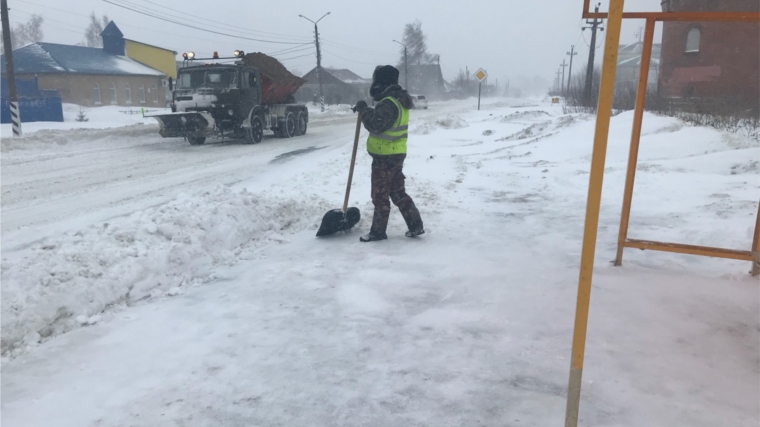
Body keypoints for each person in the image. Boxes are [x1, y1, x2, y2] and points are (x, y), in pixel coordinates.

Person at [353, 65, 424, 242]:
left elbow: (376, 124)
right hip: (396, 153)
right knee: (397, 191)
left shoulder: (389, 102)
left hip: (384, 157)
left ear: (382, 81)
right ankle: (415, 225)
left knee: (380, 195)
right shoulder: (399, 100)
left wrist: (363, 111)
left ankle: (378, 232)